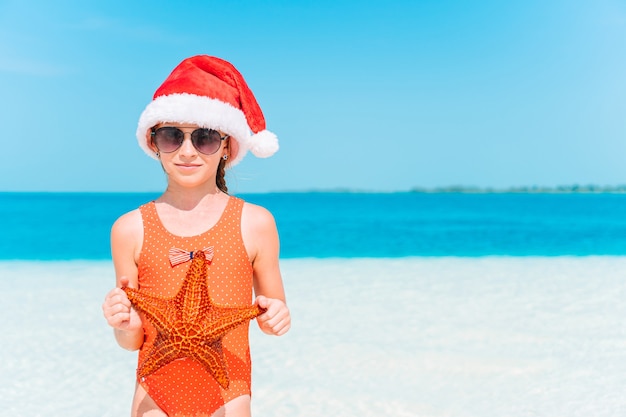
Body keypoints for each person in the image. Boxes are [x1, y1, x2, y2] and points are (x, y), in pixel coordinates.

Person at [102, 55, 291, 417]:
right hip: (154, 393)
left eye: (204, 138)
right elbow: (132, 341)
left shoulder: (255, 222)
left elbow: (271, 316)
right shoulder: (129, 228)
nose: (187, 151)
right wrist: (123, 323)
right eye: (172, 135)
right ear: (153, 142)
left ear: (226, 146)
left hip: (228, 393)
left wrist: (277, 317)